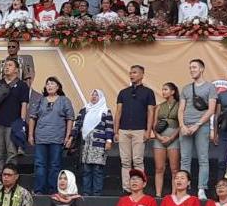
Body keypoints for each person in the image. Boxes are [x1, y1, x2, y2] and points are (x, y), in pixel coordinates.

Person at [0, 58, 29, 184]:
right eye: (5, 65)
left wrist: (22, 122)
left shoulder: (22, 85)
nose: (6, 67)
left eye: (10, 65)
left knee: (11, 152)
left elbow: (24, 104)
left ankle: (10, 176)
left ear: (16, 69)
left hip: (13, 123)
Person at [28, 76, 74, 194]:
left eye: (52, 84)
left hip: (57, 138)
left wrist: (67, 136)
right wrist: (30, 135)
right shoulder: (40, 100)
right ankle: (39, 190)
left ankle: (53, 190)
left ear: (58, 87)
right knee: (40, 165)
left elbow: (70, 118)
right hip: (41, 138)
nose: (49, 86)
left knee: (55, 165)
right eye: (47, 84)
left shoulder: (64, 100)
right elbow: (32, 118)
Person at [177, 58, 215, 199]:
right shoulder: (186, 88)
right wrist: (182, 125)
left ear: (202, 69)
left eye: (194, 67)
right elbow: (180, 109)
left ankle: (201, 189)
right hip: (185, 127)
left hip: (201, 126)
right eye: (190, 68)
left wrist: (197, 125)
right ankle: (183, 189)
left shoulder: (210, 87)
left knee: (203, 159)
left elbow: (211, 109)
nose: (192, 70)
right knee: (185, 159)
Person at [114, 64, 155, 193]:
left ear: (142, 75)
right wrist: (116, 131)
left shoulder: (148, 92)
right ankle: (126, 188)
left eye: (135, 72)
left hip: (139, 130)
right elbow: (118, 112)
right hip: (124, 130)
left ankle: (139, 187)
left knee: (137, 160)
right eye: (130, 73)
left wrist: (148, 131)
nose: (132, 75)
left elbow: (150, 112)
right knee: (125, 161)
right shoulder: (123, 92)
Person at [70, 88, 113, 196]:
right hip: (86, 145)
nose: (94, 97)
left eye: (96, 95)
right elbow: (77, 125)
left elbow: (109, 127)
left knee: (98, 170)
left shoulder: (105, 111)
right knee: (86, 170)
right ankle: (86, 193)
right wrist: (71, 137)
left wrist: (108, 141)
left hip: (99, 145)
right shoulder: (85, 110)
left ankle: (96, 194)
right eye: (92, 95)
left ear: (101, 98)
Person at [150, 82, 180, 197]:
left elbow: (181, 124)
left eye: (166, 89)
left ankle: (173, 194)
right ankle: (158, 194)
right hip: (160, 139)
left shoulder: (179, 105)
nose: (163, 92)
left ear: (173, 92)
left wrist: (172, 137)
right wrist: (158, 137)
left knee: (174, 169)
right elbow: (154, 124)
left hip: (174, 138)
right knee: (159, 168)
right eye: (163, 90)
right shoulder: (159, 106)